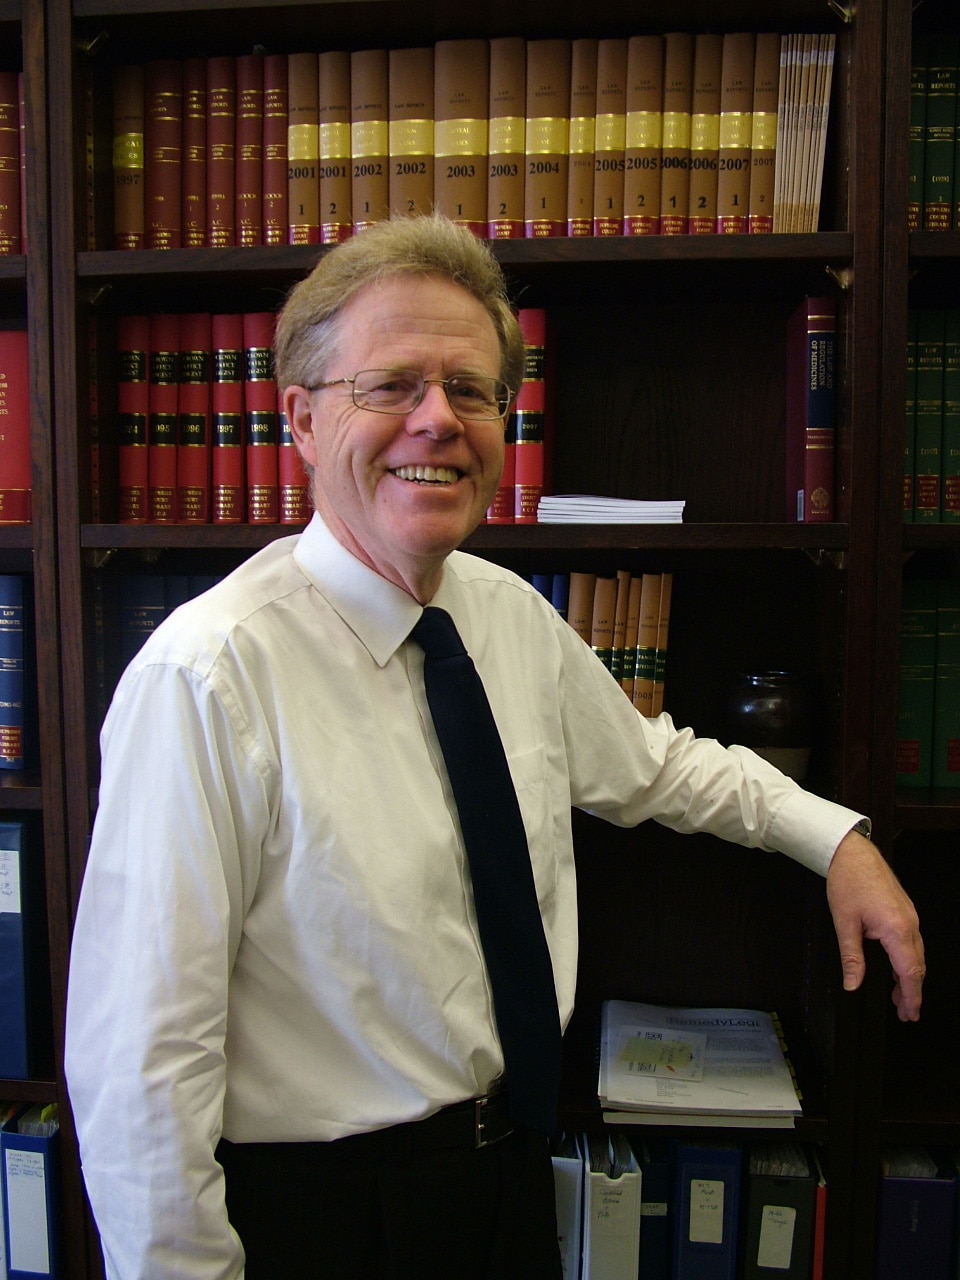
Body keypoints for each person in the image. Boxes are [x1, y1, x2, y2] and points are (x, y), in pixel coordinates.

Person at [65, 214, 925, 1280]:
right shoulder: (206, 676)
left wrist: (835, 840)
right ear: (302, 419)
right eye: (391, 385)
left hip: (508, 1174)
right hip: (317, 1217)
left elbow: (656, 765)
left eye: (471, 390)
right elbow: (142, 1066)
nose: (438, 420)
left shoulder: (508, 616)